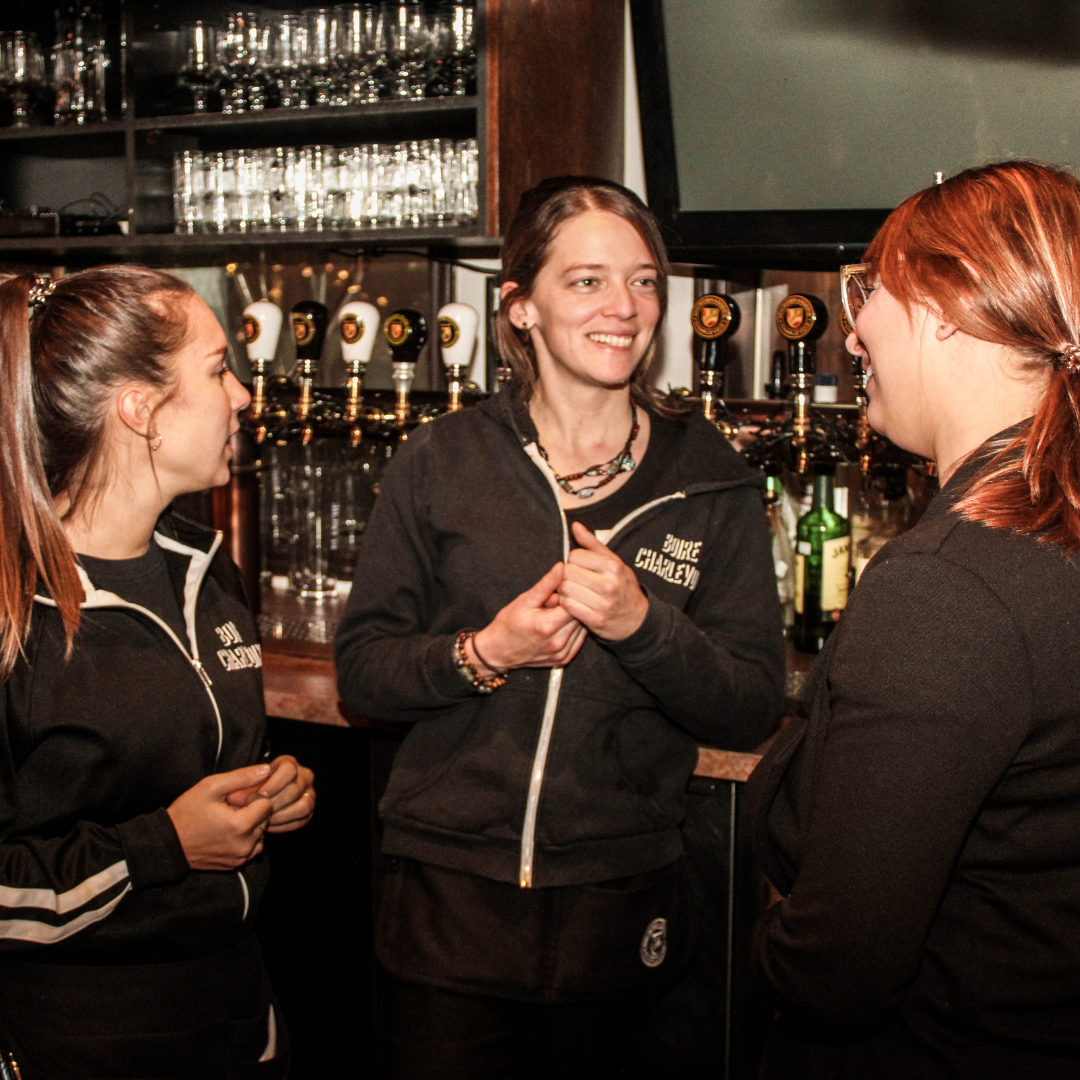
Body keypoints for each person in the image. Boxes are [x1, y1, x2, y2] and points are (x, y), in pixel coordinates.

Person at [335, 175, 785, 1078]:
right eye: (587, 281)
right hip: (449, 900)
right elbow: (363, 670)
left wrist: (642, 625)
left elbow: (749, 705)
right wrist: (484, 653)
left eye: (644, 281)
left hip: (619, 901)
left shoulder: (709, 478)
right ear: (521, 307)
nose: (624, 306)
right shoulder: (442, 457)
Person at [748, 160, 1080, 1078]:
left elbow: (838, 967)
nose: (852, 333)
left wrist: (757, 950)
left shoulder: (949, 588)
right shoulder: (1045, 533)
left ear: (945, 307)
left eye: (869, 293)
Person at [0, 267, 315, 1078]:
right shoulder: (17, 613)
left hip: (238, 1014)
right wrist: (162, 845)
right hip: (81, 1039)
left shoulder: (205, 568)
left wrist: (271, 789)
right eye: (216, 371)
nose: (242, 396)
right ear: (139, 410)